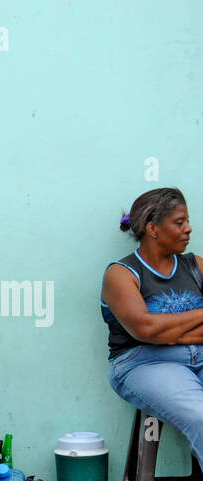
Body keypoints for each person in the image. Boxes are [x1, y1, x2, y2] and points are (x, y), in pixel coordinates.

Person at [102, 187, 203, 465]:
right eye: (179, 222)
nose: (189, 229)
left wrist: (167, 332)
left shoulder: (196, 266)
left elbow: (158, 331)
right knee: (200, 415)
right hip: (143, 363)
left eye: (187, 221)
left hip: (199, 356)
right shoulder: (121, 274)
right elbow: (145, 330)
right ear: (153, 229)